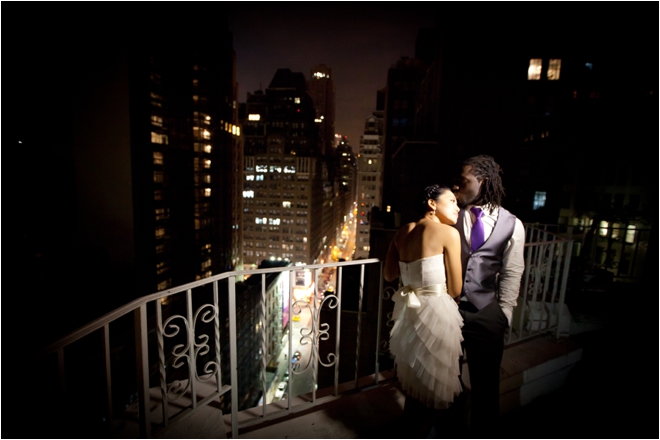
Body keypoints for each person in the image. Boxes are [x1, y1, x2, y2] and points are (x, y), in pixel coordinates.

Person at [451, 155, 525, 435]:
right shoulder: (450, 215)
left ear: (482, 181)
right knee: (450, 385)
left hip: (487, 315)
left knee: (486, 387)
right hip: (450, 313)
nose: (456, 185)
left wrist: (503, 314)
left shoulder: (513, 224)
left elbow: (512, 272)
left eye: (464, 180)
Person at [384, 184, 463, 436]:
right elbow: (456, 289)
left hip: (410, 310)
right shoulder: (448, 233)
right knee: (439, 387)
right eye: (451, 201)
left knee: (417, 381)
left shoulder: (403, 231)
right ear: (432, 203)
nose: (457, 207)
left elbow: (388, 275)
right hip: (436, 310)